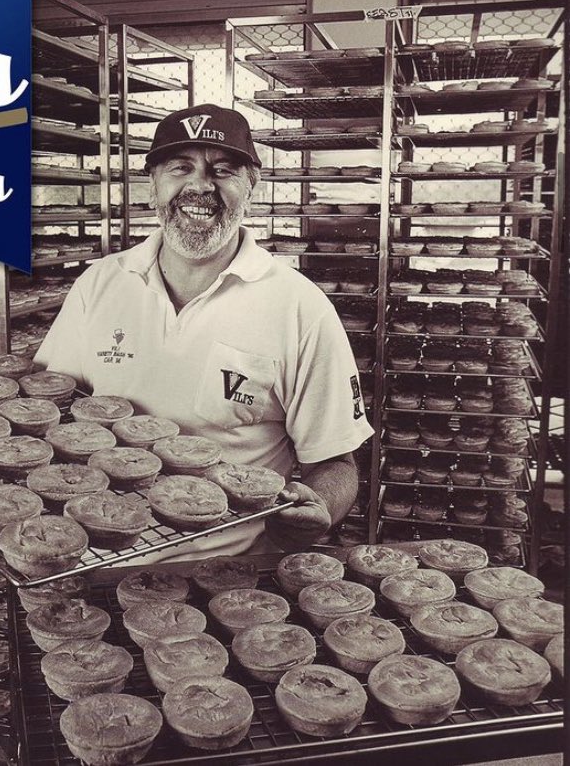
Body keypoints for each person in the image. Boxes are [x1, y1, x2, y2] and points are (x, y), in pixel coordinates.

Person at [34, 103, 373, 559]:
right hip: (89, 553)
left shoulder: (299, 306)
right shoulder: (101, 283)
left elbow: (335, 462)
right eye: (180, 168)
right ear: (152, 182)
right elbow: (51, 409)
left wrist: (317, 510)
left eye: (223, 170)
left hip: (228, 567)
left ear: (251, 185)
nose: (199, 185)